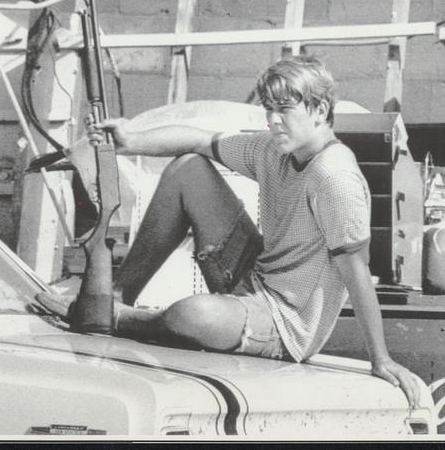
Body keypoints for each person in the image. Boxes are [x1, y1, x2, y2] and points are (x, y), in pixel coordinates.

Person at [95, 55, 420, 408]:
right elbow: (200, 140)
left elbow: (357, 275)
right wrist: (129, 140)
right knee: (188, 168)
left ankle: (130, 321)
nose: (274, 120)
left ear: (320, 109)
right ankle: (111, 300)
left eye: (285, 108)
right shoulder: (273, 148)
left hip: (284, 324)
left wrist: (381, 359)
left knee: (190, 314)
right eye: (269, 109)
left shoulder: (335, 178)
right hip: (254, 278)